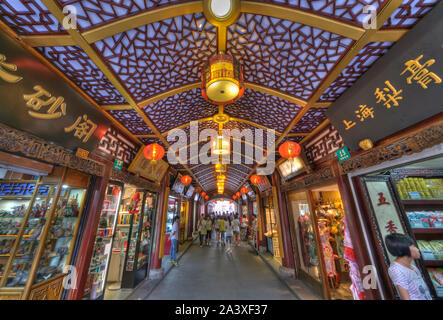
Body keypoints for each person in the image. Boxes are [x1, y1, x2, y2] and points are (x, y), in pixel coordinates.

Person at [385, 233, 432, 300]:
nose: (417, 249)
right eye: (414, 246)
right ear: (406, 248)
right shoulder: (396, 269)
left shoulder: (413, 267)